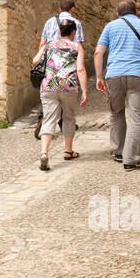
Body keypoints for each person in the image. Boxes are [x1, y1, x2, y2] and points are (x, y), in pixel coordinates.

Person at [93, 0, 140, 171]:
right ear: (135, 11)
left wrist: (98, 77)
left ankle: (118, 151)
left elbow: (98, 52)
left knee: (116, 113)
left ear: (118, 14)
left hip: (114, 75)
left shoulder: (110, 27)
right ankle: (130, 159)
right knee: (135, 117)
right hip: (137, 75)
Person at [31, 18, 88, 171]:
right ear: (73, 32)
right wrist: (85, 91)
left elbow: (35, 60)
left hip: (48, 86)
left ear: (59, 32)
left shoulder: (49, 45)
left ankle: (44, 154)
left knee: (49, 118)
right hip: (69, 86)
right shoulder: (77, 46)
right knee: (68, 116)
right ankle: (68, 151)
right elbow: (81, 69)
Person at [36, 0, 85, 139]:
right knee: (64, 89)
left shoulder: (49, 21)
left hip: (50, 59)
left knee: (48, 89)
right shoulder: (76, 23)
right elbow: (78, 44)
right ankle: (65, 122)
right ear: (73, 9)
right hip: (67, 61)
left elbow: (42, 42)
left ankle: (43, 118)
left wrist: (41, 59)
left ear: (59, 9)